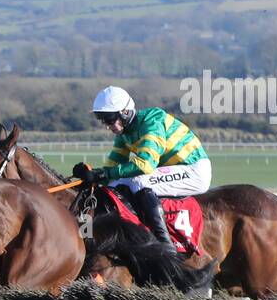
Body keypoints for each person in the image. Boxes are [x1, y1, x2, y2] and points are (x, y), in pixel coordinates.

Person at [74, 86, 211, 253]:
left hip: (194, 171)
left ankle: (165, 246)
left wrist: (105, 173)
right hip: (173, 171)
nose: (106, 126)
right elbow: (110, 170)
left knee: (139, 181)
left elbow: (145, 164)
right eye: (103, 120)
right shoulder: (124, 135)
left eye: (109, 119)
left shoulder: (152, 120)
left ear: (124, 112)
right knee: (116, 183)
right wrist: (92, 174)